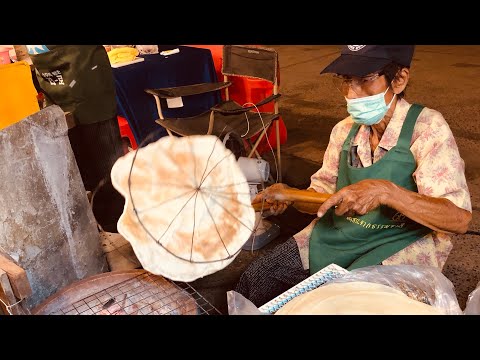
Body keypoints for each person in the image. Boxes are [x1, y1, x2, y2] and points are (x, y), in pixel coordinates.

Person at [235, 45, 473, 307]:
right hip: (340, 236)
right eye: (348, 82)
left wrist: (386, 192)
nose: (352, 94)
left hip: (398, 243)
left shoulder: (427, 129)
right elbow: (321, 196)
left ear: (399, 79)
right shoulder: (344, 131)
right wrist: (291, 195)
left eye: (365, 80)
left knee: (345, 302)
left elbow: (458, 219)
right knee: (255, 279)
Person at [27, 45, 125, 232]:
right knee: (83, 164)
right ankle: (102, 222)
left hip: (80, 73)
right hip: (55, 76)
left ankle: (114, 223)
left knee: (100, 165)